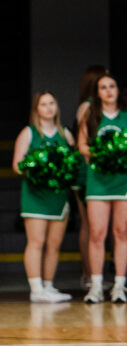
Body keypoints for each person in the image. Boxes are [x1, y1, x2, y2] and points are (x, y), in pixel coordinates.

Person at [77, 72, 127, 303]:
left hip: (123, 180)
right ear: (97, 93)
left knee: (121, 232)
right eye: (103, 87)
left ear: (117, 89)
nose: (108, 91)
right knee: (97, 233)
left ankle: (119, 286)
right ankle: (96, 286)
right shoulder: (90, 114)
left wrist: (121, 153)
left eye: (112, 86)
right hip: (98, 180)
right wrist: (102, 153)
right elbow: (82, 145)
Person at [12, 91, 75, 303]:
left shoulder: (65, 133)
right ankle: (36, 289)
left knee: (54, 244)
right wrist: (40, 169)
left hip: (58, 196)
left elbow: (74, 162)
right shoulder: (28, 133)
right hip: (35, 195)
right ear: (36, 109)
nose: (49, 108)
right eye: (43, 104)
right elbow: (17, 165)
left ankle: (49, 286)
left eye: (52, 103)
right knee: (36, 242)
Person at [73, 65, 108, 290]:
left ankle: (93, 273)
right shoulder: (88, 107)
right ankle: (88, 274)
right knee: (89, 224)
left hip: (97, 171)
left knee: (95, 226)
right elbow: (85, 140)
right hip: (87, 171)